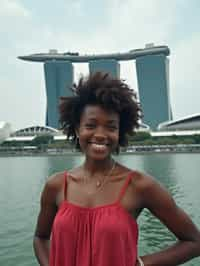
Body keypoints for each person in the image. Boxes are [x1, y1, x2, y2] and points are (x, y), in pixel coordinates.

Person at [33, 72, 200, 266]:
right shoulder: (56, 185)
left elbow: (194, 242)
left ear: (120, 132)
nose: (101, 134)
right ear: (77, 129)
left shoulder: (139, 185)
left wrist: (140, 264)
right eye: (91, 125)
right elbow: (40, 238)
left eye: (111, 127)